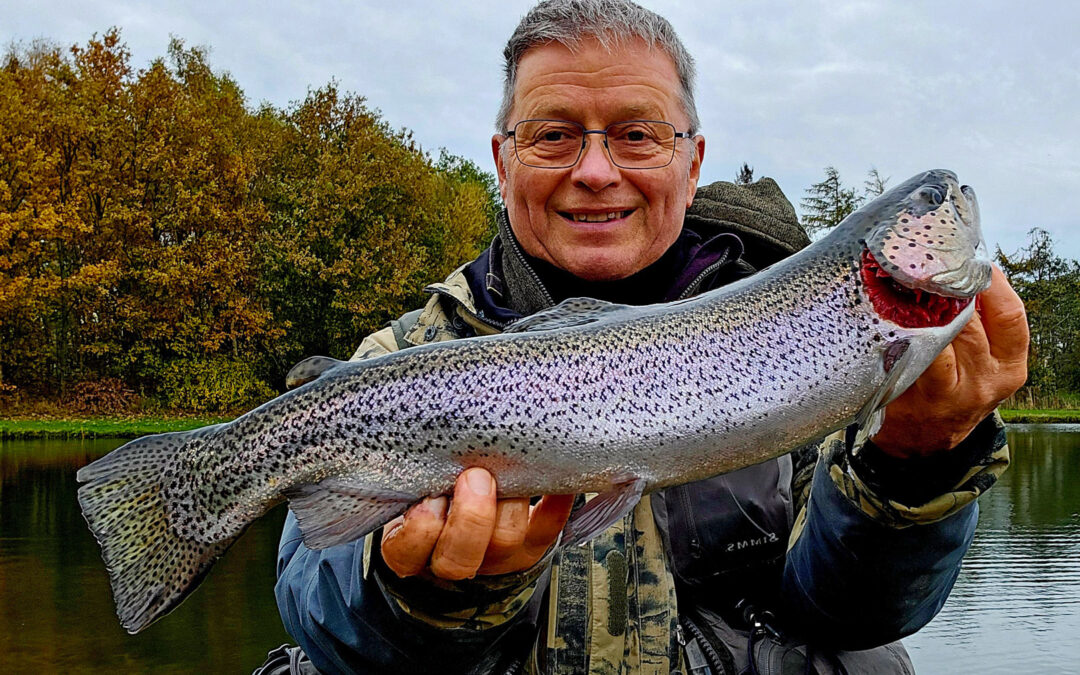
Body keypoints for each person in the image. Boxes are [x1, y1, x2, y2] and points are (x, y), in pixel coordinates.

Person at [269, 1, 1029, 673]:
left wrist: (915, 465)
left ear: (692, 163)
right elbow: (318, 606)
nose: (596, 170)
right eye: (554, 135)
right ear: (503, 163)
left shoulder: (817, 332)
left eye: (636, 135)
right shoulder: (400, 359)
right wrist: (418, 598)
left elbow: (856, 613)